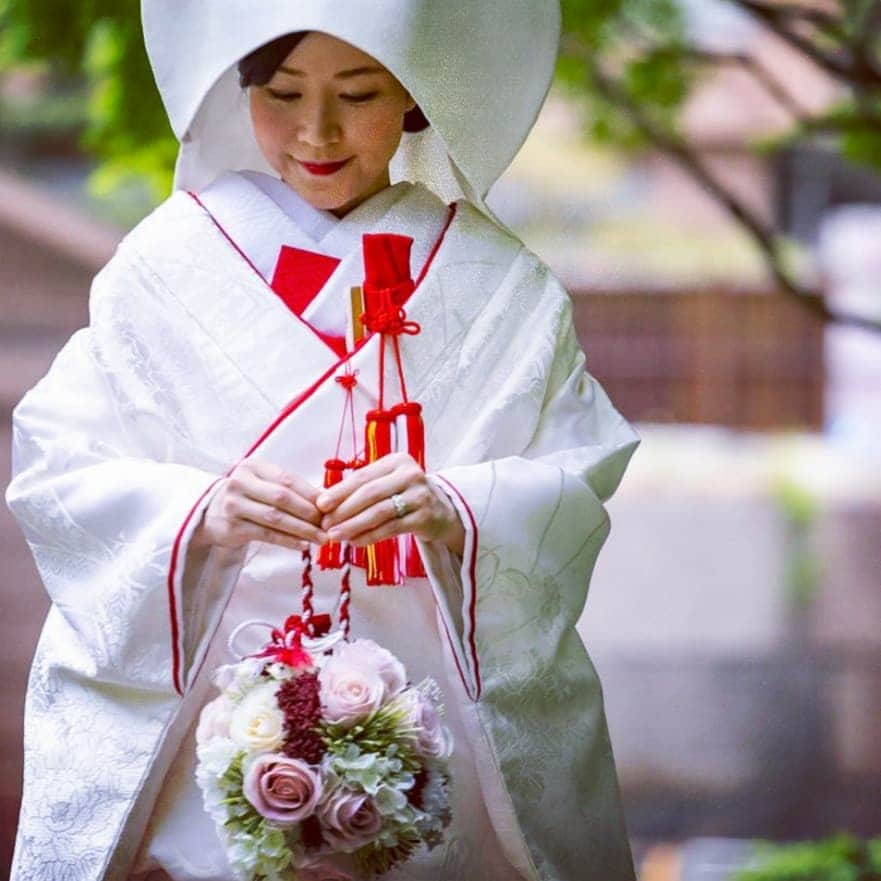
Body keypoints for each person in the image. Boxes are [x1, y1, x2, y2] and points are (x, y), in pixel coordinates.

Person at [5, 3, 640, 880]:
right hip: (213, 715)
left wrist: (457, 505)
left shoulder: (503, 287)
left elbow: (576, 464)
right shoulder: (161, 268)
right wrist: (199, 510)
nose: (317, 130)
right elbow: (57, 465)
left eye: (358, 92)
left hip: (436, 713)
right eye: (282, 92)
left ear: (414, 98)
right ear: (241, 93)